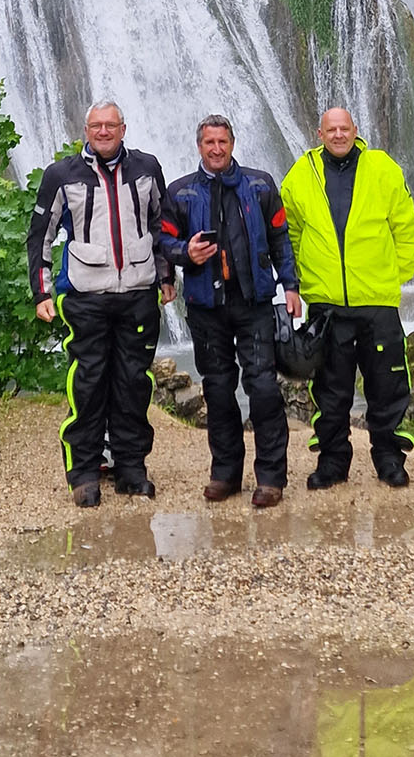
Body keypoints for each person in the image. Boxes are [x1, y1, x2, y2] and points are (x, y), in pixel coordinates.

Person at [28, 101, 178, 508]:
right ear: (86, 129)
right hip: (85, 295)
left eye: (111, 125)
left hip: (138, 292)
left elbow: (161, 226)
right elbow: (39, 236)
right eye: (97, 125)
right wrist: (42, 292)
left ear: (123, 128)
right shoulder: (61, 175)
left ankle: (131, 468)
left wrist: (167, 276)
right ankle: (84, 472)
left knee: (133, 382)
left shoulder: (146, 168)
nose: (104, 131)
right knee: (88, 383)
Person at [163, 115, 302, 508]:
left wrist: (290, 286)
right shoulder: (182, 193)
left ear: (233, 143)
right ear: (199, 146)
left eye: (222, 141)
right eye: (209, 142)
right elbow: (165, 242)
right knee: (219, 389)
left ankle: (271, 478)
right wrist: (182, 255)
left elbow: (280, 237)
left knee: (263, 388)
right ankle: (225, 473)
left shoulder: (259, 185)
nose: (217, 148)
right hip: (206, 307)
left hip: (254, 302)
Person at [280, 107, 414, 489]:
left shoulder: (382, 167)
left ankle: (389, 458)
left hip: (376, 300)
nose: (338, 135)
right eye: (331, 129)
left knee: (387, 384)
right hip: (326, 303)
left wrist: (395, 274)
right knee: (330, 387)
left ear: (355, 131)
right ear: (319, 133)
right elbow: (290, 232)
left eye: (345, 128)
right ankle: (332, 462)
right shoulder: (301, 174)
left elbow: (405, 225)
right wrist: (302, 280)